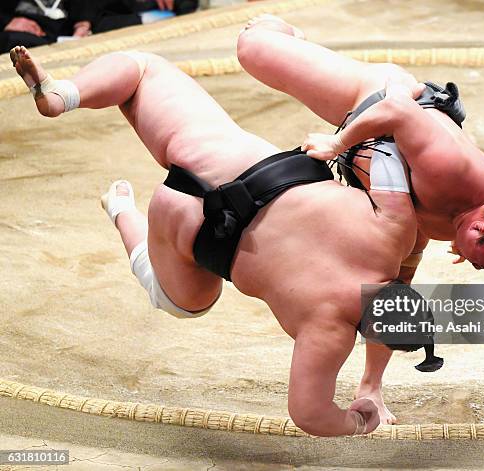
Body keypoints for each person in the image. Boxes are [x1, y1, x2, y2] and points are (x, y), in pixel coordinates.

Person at [10, 44, 435, 436]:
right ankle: (122, 210)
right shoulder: (328, 332)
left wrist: (359, 127)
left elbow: (388, 141)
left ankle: (62, 95)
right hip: (188, 222)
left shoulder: (395, 233)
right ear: (370, 334)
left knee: (143, 69)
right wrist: (359, 420)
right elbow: (308, 413)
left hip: (230, 160)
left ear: (401, 283)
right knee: (177, 303)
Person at [236, 15, 484, 424]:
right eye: (476, 259)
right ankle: (286, 34)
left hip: (388, 173)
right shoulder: (452, 170)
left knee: (392, 289)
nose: (468, 262)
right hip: (374, 102)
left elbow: (394, 295)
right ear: (479, 228)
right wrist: (337, 142)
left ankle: (371, 387)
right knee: (252, 48)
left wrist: (453, 239)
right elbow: (398, 109)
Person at [0, 0, 94, 53]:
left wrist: (83, 22)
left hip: (67, 24)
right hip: (20, 22)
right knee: (17, 42)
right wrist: (7, 22)